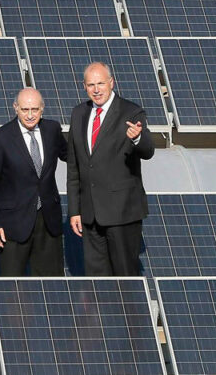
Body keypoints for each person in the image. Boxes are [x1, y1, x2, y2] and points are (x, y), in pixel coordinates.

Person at [67, 62, 156, 276]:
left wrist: (137, 139)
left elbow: (148, 150)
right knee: (98, 282)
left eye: (100, 83)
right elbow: (74, 166)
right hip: (90, 215)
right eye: (91, 85)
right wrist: (74, 210)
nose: (96, 90)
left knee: (125, 277)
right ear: (84, 86)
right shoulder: (79, 113)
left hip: (122, 212)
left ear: (111, 83)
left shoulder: (131, 111)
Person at [0, 88, 68, 276]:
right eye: (25, 110)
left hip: (48, 222)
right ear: (15, 108)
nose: (30, 115)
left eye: (34, 110)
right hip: (12, 225)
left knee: (53, 287)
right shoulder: (1, 138)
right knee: (13, 289)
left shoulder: (52, 130)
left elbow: (73, 156)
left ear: (42, 109)